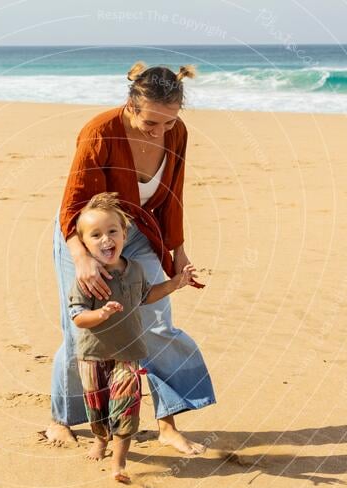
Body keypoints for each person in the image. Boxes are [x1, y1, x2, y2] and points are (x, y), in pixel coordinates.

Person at [48, 61, 216, 455]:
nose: (160, 132)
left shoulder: (176, 132)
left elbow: (173, 193)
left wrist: (178, 250)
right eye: (151, 125)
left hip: (140, 232)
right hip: (86, 232)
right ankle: (61, 419)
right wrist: (83, 257)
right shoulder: (99, 132)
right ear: (130, 105)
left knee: (156, 323)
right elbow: (73, 205)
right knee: (82, 329)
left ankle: (167, 423)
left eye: (169, 123)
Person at [69, 193, 198, 483]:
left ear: (124, 235)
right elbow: (77, 317)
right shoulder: (86, 279)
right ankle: (100, 439)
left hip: (128, 353)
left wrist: (175, 283)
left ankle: (119, 463)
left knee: (126, 405)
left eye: (112, 232)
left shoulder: (135, 270)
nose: (106, 240)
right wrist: (101, 314)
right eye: (96, 235)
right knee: (97, 406)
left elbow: (146, 296)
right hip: (92, 355)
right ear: (84, 244)